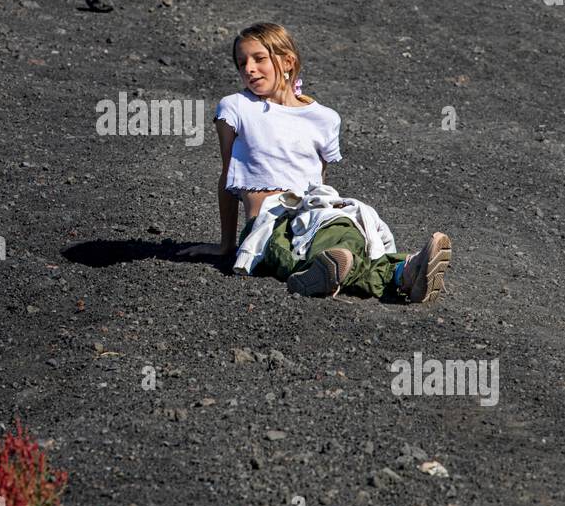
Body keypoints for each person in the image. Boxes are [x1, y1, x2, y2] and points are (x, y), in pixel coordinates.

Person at [178, 22, 452, 302]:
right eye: (242, 63)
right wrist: (227, 245)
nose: (249, 69)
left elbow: (317, 183)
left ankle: (341, 272)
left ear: (288, 61)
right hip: (268, 225)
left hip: (318, 213)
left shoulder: (324, 118)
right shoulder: (235, 107)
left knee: (342, 234)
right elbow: (228, 176)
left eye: (259, 59)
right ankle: (401, 270)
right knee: (295, 249)